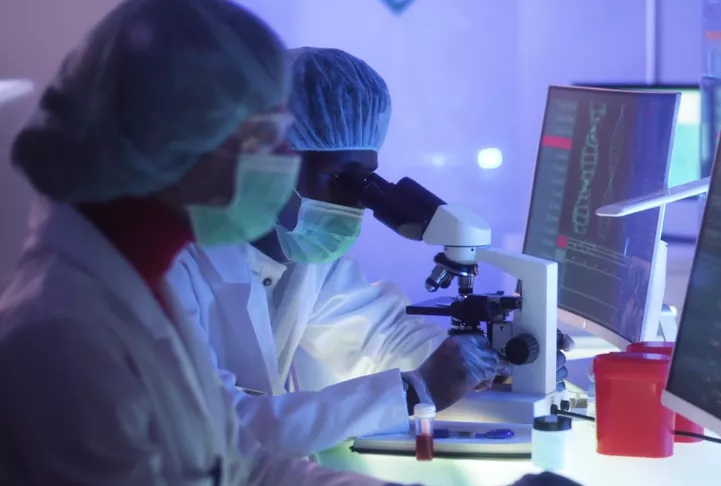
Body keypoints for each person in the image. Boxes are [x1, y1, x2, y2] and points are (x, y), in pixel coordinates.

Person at [0, 1, 439, 484]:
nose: (276, 162)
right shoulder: (65, 333)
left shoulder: (141, 282)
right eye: (264, 138)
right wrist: (414, 390)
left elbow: (243, 464)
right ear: (176, 139)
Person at [165, 46, 574, 457]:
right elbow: (218, 430)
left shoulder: (301, 258)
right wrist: (416, 390)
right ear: (266, 163)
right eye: (340, 178)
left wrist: (493, 362)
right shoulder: (169, 265)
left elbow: (379, 337)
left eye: (366, 180)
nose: (357, 201)